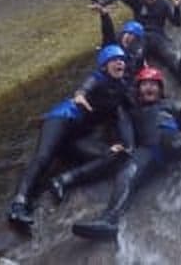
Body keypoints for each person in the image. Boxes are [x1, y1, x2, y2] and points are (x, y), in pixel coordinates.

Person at [71, 67, 181, 240]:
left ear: (160, 89)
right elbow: (116, 112)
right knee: (127, 173)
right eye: (145, 85)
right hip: (148, 151)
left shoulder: (170, 104)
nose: (149, 88)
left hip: (171, 139)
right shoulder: (131, 111)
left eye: (153, 85)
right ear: (138, 90)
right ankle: (108, 220)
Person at [7, 45, 134, 226]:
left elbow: (128, 114)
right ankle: (18, 205)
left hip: (76, 137)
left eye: (122, 60)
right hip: (63, 120)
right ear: (104, 66)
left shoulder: (121, 88)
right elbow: (85, 88)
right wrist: (80, 95)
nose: (120, 62)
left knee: (114, 155)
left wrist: (126, 145)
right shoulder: (97, 78)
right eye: (115, 60)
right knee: (43, 157)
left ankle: (61, 181)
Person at [117, 0, 181, 84]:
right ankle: (130, 79)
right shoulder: (138, 1)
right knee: (138, 55)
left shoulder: (163, 4)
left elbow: (177, 23)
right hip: (141, 35)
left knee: (168, 54)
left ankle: (179, 73)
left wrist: (176, 7)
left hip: (158, 35)